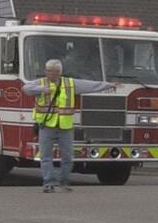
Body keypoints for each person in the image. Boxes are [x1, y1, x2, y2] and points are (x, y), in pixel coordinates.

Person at [22, 59, 114, 193]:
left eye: (55, 72)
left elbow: (90, 85)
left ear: (60, 72)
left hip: (65, 126)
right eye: (49, 71)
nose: (52, 74)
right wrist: (42, 89)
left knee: (68, 157)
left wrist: (107, 85)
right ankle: (49, 183)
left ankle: (62, 180)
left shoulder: (70, 83)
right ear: (45, 71)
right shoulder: (40, 83)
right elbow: (26, 88)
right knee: (46, 156)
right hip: (46, 125)